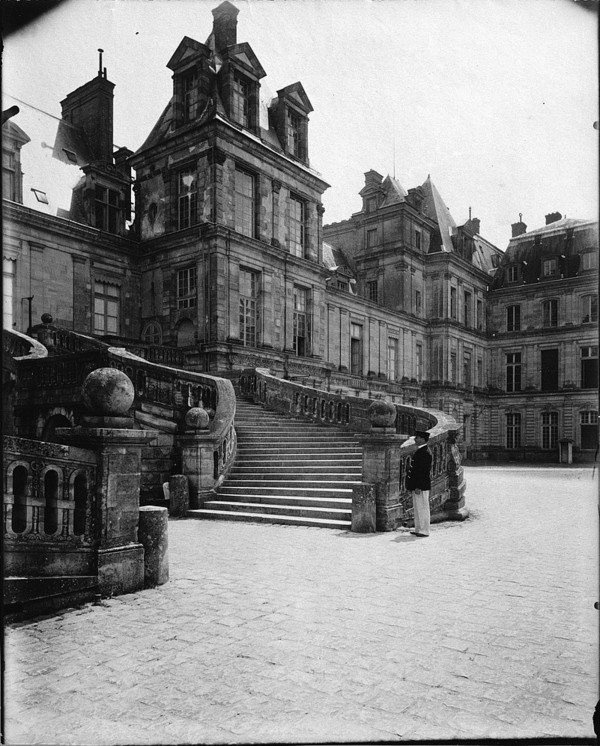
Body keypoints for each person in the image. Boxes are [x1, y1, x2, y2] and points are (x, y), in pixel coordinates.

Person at [405, 430, 432, 537]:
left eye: (417, 437)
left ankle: (424, 530)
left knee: (423, 507)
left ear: (423, 439)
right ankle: (418, 528)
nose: (415, 439)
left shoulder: (425, 452)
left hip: (421, 485)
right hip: (417, 484)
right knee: (417, 508)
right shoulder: (421, 451)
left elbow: (424, 471)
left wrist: (418, 486)